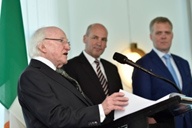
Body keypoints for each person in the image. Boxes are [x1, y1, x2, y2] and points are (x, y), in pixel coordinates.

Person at [17, 26, 128, 128]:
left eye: (68, 42)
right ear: (42, 47)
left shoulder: (55, 73)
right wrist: (101, 109)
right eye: (61, 41)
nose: (68, 47)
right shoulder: (31, 76)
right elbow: (55, 118)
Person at [132, 17, 192, 128]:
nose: (163, 36)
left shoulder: (184, 63)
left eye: (167, 32)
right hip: (163, 125)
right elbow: (142, 105)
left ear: (172, 35)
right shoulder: (142, 64)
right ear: (151, 36)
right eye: (159, 33)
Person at [62, 23, 123, 123]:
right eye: (95, 38)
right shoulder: (70, 67)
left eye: (103, 39)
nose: (99, 43)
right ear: (85, 39)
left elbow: (120, 98)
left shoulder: (112, 68)